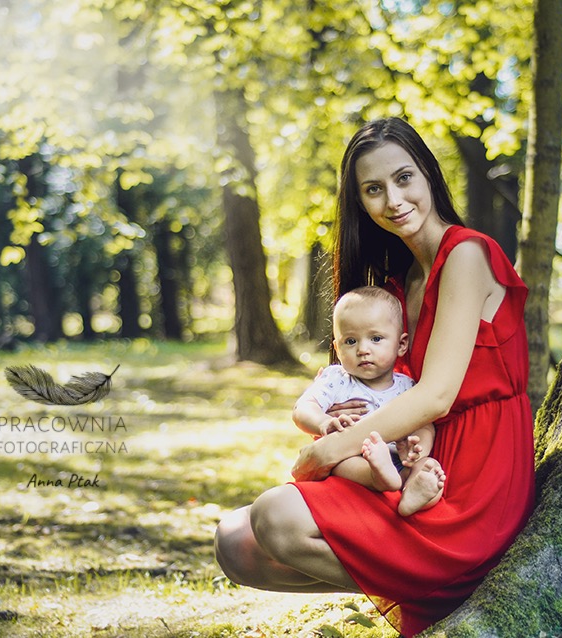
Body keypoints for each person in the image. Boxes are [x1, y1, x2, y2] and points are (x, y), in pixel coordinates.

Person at [214, 117, 536, 637]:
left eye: (404, 178)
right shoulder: (395, 284)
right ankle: (417, 581)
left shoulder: (468, 254)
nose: (393, 200)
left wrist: (327, 454)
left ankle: (442, 580)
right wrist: (348, 420)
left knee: (275, 514)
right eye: (373, 189)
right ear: (360, 202)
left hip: (473, 482)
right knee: (234, 543)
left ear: (429, 175)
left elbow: (435, 396)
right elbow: (397, 391)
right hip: (407, 463)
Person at [292, 285, 444, 516]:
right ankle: (378, 477)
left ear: (401, 345)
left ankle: (414, 491)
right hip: (355, 459)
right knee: (342, 463)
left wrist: (414, 449)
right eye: (351, 341)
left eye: (375, 338)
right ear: (337, 347)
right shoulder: (337, 379)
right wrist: (323, 422)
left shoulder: (408, 386)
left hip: (400, 459)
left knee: (428, 467)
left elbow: (424, 423)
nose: (363, 349)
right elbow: (302, 409)